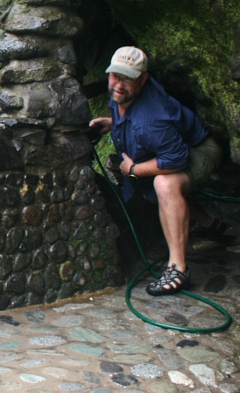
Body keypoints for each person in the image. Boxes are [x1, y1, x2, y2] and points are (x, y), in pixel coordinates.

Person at [89, 46, 227, 295]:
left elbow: (175, 160)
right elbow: (129, 115)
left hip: (199, 149)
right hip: (169, 144)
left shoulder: (152, 120)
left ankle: (178, 269)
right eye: (115, 76)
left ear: (143, 79)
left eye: (128, 79)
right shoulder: (123, 93)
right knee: (160, 186)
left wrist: (133, 170)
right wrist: (112, 123)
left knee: (165, 184)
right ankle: (209, 224)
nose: (119, 85)